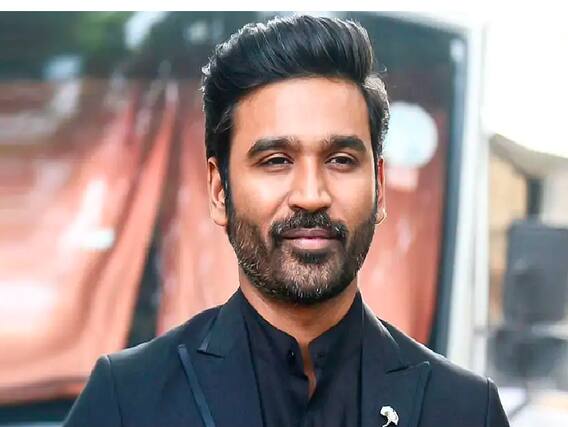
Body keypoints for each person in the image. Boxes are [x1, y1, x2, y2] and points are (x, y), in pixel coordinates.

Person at [63, 15, 510, 427]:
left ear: (379, 185)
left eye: (340, 159)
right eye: (276, 160)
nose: (311, 196)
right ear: (219, 191)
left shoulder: (466, 410)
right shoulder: (126, 401)